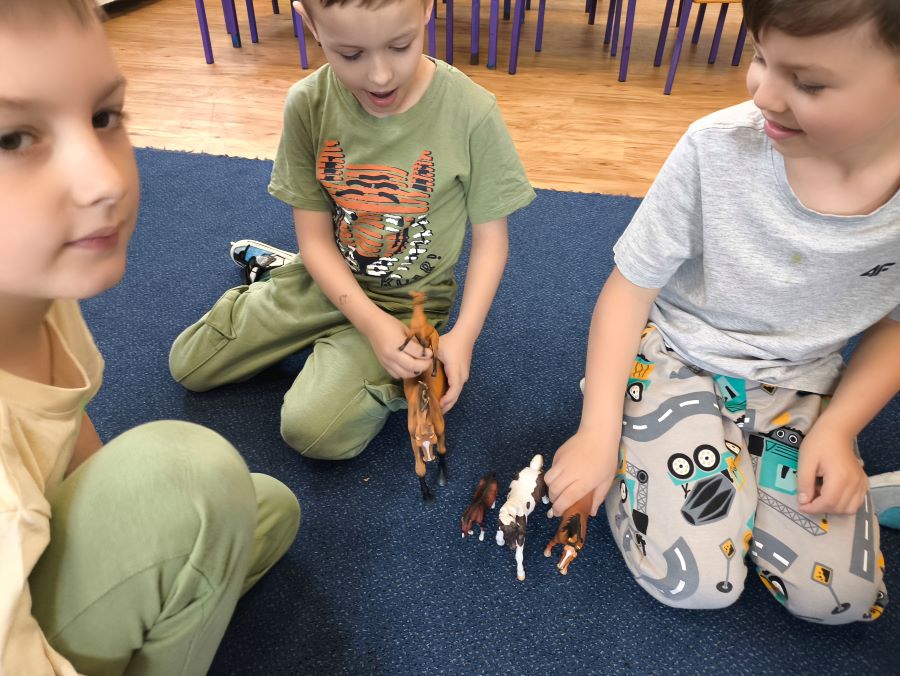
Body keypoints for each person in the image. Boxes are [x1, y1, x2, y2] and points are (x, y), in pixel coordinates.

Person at [546, 0, 899, 624]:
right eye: (760, 56)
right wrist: (597, 431)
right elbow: (628, 291)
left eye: (808, 83)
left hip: (801, 382)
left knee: (840, 599)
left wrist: (841, 429)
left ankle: (760, 483)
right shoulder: (716, 146)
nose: (763, 93)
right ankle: (644, 446)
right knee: (699, 583)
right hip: (677, 358)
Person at [0, 2, 301, 673]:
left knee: (255, 507)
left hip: (33, 558)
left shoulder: (34, 293)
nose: (105, 181)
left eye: (104, 117)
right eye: (12, 139)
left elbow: (72, 440)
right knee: (189, 478)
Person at [169, 0, 535, 460]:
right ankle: (279, 276)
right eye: (350, 54)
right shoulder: (308, 104)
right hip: (322, 278)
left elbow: (491, 242)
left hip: (409, 302)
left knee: (313, 433)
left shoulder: (471, 112)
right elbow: (315, 240)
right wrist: (368, 322)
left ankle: (324, 330)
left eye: (400, 46)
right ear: (310, 24)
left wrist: (463, 337)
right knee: (189, 364)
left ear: (427, 8)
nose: (380, 76)